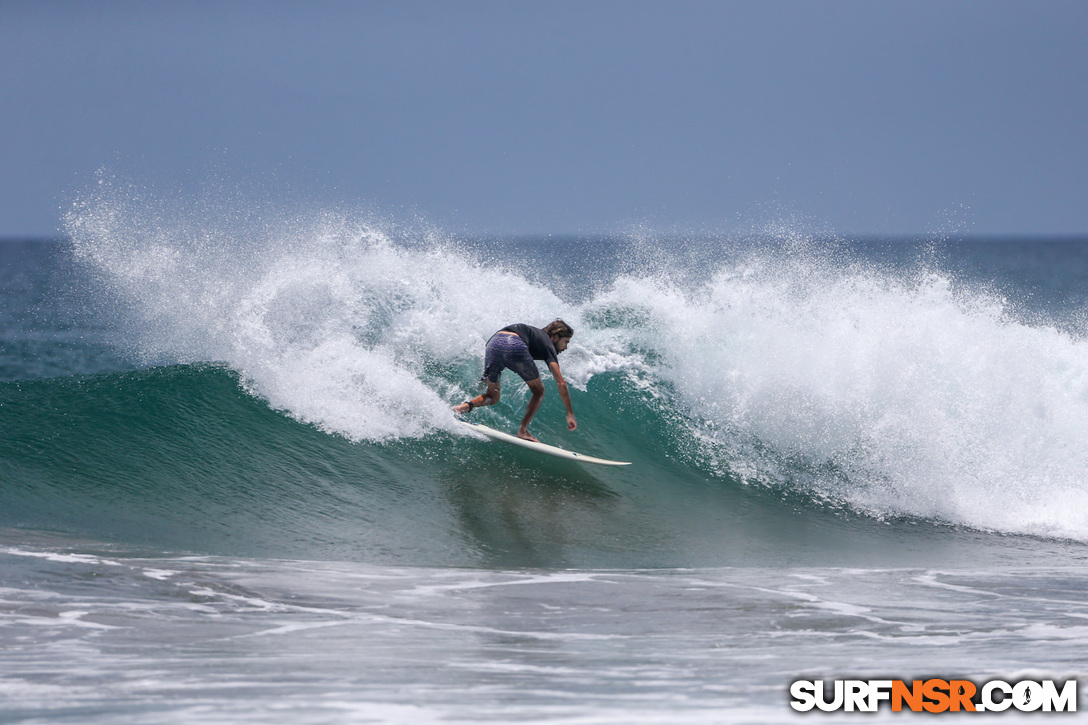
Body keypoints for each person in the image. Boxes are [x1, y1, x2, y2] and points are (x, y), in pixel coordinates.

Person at [453, 319, 577, 442]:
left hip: (494, 342)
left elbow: (500, 344)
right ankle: (523, 430)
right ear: (555, 337)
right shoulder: (547, 342)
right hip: (514, 343)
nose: (565, 347)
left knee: (492, 396)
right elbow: (561, 382)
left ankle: (462, 407)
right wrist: (570, 413)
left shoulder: (535, 335)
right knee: (538, 391)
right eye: (566, 342)